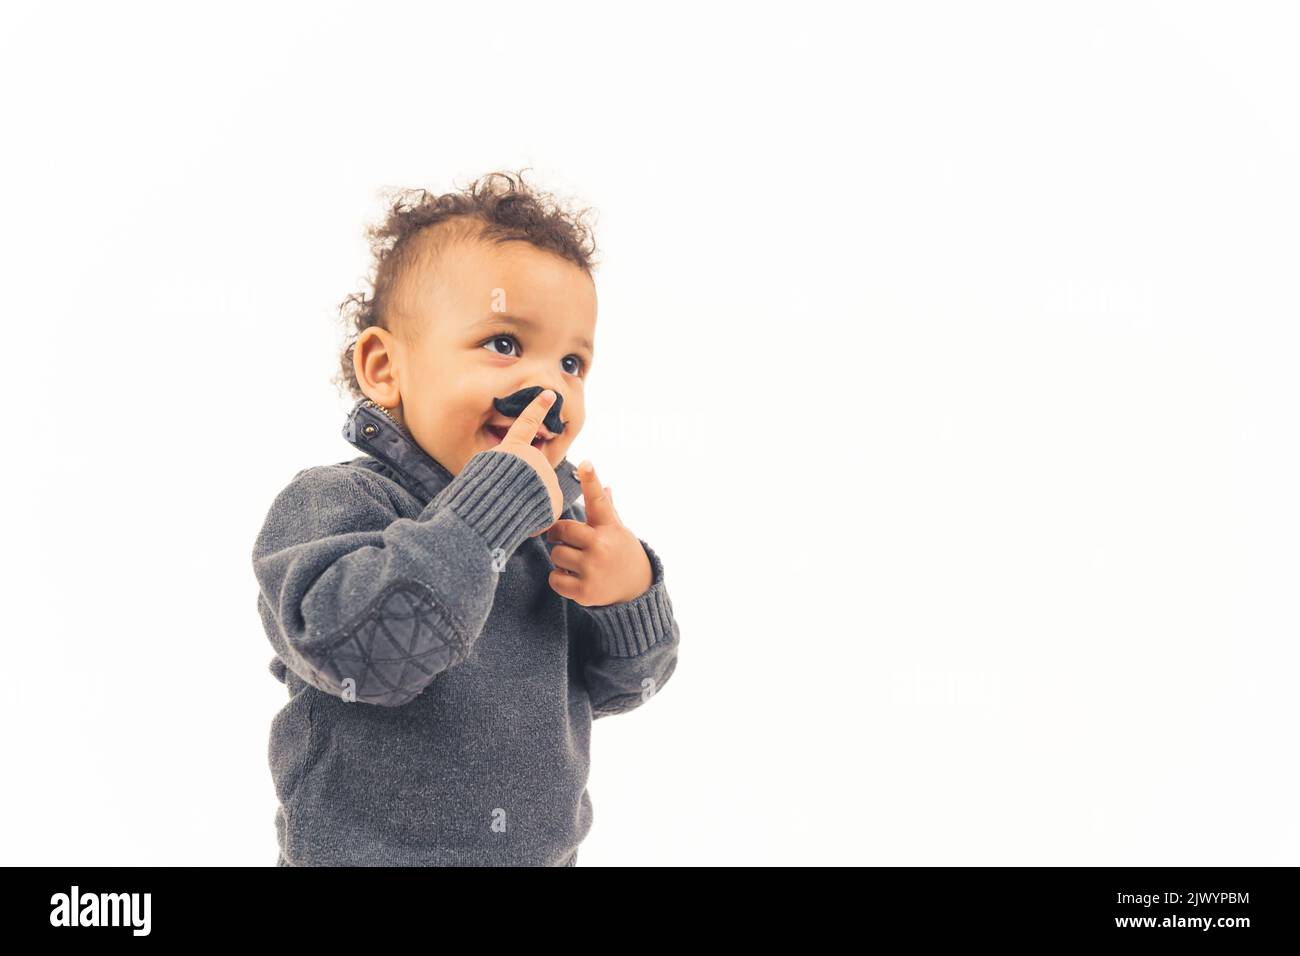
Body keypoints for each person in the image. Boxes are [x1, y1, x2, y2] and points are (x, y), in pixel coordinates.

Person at [252, 171, 680, 866]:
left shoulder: (548, 533)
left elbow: (619, 690)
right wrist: (486, 519)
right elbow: (366, 657)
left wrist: (626, 599)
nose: (549, 388)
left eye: (572, 362)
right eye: (505, 344)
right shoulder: (335, 505)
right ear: (385, 368)